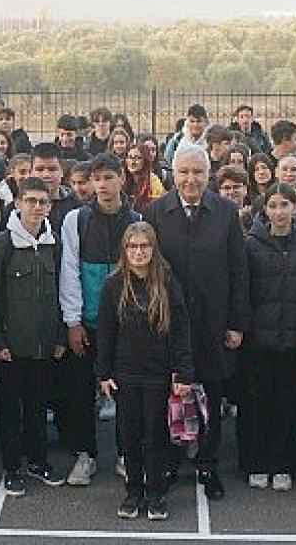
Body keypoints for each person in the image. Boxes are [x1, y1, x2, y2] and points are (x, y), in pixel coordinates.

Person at [144, 146, 250, 500]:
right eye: (184, 172)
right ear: (173, 173)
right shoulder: (156, 212)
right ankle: (172, 460)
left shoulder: (225, 213)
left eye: (198, 173)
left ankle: (207, 462)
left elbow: (238, 271)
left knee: (211, 397)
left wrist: (237, 323)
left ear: (209, 175)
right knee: (170, 396)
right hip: (168, 326)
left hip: (213, 324)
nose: (191, 179)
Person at [96, 222, 194, 521]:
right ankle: (133, 491)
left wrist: (182, 372)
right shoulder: (113, 285)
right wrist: (104, 372)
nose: (139, 252)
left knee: (155, 436)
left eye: (144, 246)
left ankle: (155, 493)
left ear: (153, 249)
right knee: (129, 435)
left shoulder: (166, 280)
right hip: (125, 374)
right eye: (133, 247)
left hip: (158, 373)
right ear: (125, 250)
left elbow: (180, 330)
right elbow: (105, 332)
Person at [60, 154, 142, 487]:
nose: (103, 185)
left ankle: (126, 454)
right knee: (80, 392)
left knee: (127, 395)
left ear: (122, 178)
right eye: (97, 179)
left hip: (127, 327)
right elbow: (69, 271)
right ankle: (86, 454)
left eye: (109, 177)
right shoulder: (76, 220)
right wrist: (73, 321)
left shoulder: (137, 220)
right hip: (89, 323)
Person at [0, 177, 68, 496]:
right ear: (18, 203)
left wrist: (61, 337)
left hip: (44, 345)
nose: (37, 207)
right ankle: (12, 468)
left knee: (38, 408)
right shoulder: (3, 244)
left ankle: (38, 461)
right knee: (11, 410)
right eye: (31, 201)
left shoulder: (55, 243)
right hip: (12, 347)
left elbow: (65, 291)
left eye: (43, 202)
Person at [242, 183, 296, 492]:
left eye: (285, 205)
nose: (279, 211)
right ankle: (257, 463)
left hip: (295, 340)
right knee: (258, 405)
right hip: (259, 341)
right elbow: (243, 290)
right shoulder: (250, 244)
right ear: (265, 210)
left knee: (288, 405)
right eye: (273, 205)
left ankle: (284, 465)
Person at [124, 144, 164, 212]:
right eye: (130, 157)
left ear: (145, 161)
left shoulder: (153, 181)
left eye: (138, 158)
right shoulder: (122, 179)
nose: (133, 162)